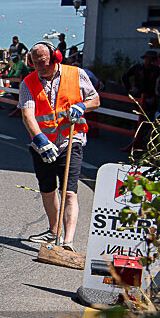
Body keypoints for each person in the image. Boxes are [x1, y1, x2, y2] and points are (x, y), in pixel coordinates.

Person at [19, 41, 100, 251]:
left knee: (69, 192)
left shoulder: (76, 74)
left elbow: (95, 100)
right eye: (35, 63)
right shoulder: (28, 83)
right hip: (43, 145)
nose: (39, 67)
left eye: (43, 62)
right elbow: (27, 114)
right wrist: (39, 139)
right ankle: (53, 231)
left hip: (70, 140)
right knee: (47, 190)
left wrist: (82, 106)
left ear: (56, 57)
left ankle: (68, 242)